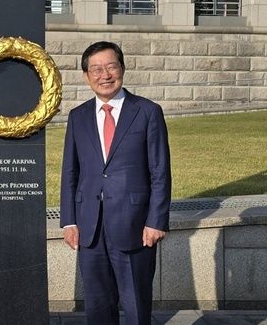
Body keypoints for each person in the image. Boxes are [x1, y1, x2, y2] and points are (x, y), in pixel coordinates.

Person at [60, 41, 171, 325]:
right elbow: (70, 173)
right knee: (97, 306)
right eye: (96, 69)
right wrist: (69, 221)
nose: (104, 75)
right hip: (90, 228)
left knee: (135, 305)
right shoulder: (78, 116)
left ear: (122, 68)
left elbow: (160, 171)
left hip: (135, 226)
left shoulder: (147, 112)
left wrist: (156, 221)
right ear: (86, 76)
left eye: (111, 67)